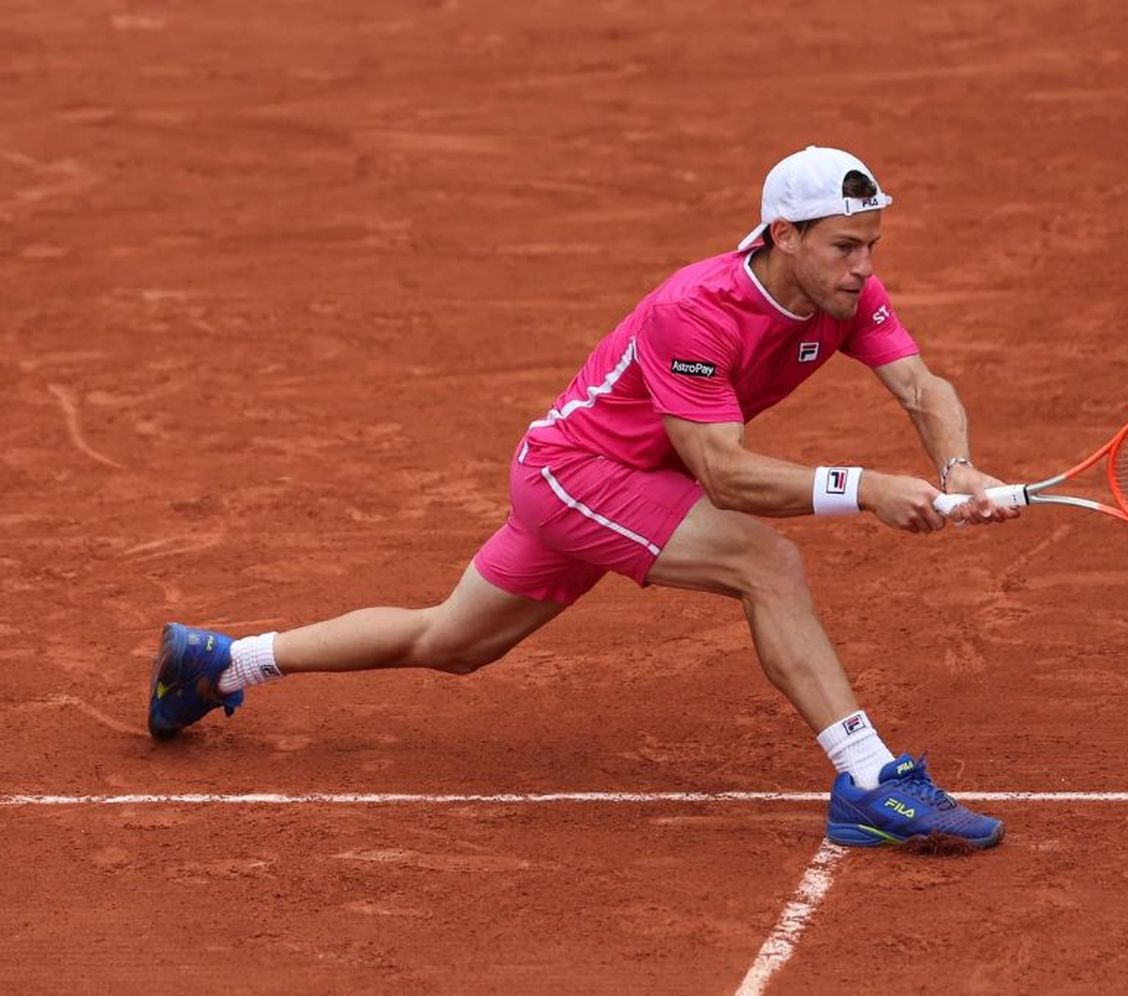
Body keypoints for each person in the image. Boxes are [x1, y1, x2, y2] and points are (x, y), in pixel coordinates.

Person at [148, 146, 1017, 850]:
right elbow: (723, 473)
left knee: (449, 641)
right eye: (845, 246)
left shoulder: (845, 295)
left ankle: (222, 661)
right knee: (767, 563)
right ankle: (868, 781)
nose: (863, 269)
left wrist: (956, 469)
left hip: (625, 482)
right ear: (784, 236)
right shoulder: (698, 309)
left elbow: (922, 387)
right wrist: (863, 488)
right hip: (576, 476)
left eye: (870, 246)